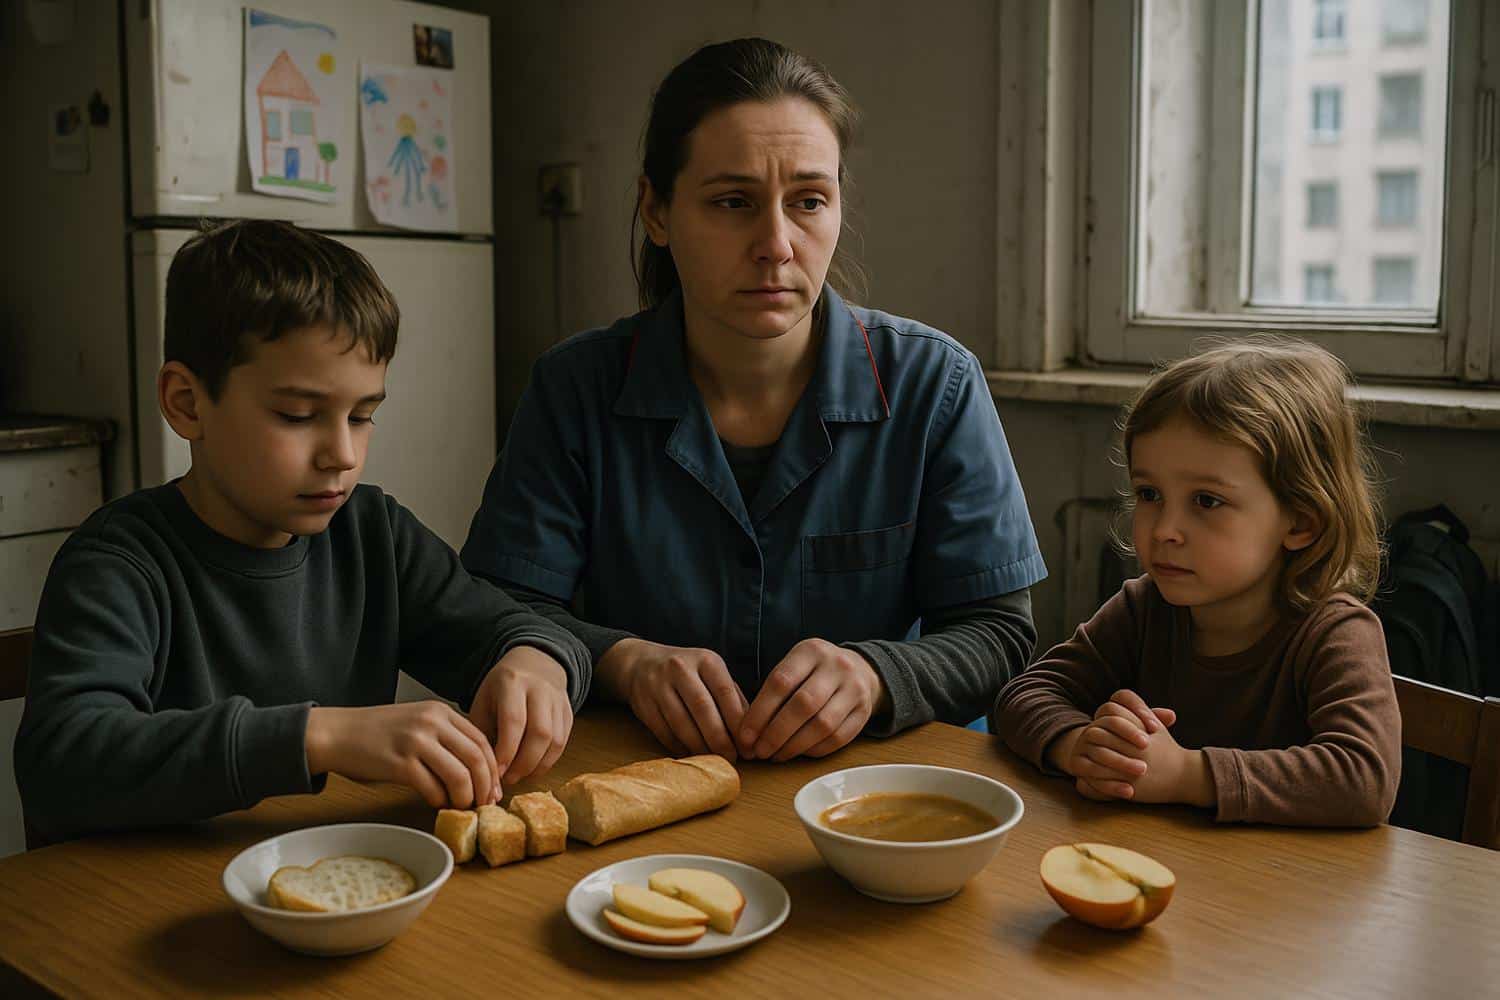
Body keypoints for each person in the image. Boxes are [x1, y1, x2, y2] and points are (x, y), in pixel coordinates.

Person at [462, 38, 1045, 764]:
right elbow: (494, 608)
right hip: (647, 783)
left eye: (808, 201)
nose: (776, 243)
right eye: (733, 202)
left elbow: (999, 632)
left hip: (868, 793)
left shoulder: (936, 385)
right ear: (656, 211)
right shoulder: (575, 389)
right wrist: (625, 660)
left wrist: (878, 674)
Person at [15, 220, 588, 844]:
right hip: (138, 909)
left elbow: (518, 629)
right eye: (297, 416)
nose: (342, 453)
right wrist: (323, 737)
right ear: (186, 402)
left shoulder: (374, 535)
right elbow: (63, 763)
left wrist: (536, 661)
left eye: (363, 415)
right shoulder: (118, 563)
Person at [992, 339, 1401, 827]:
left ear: (1300, 523)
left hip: (1286, 892)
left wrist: (1186, 773)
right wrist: (1079, 747)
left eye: (1206, 501)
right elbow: (1025, 693)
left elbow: (1363, 780)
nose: (1164, 529)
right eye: (1150, 494)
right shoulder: (1145, 608)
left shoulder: (1335, 633)